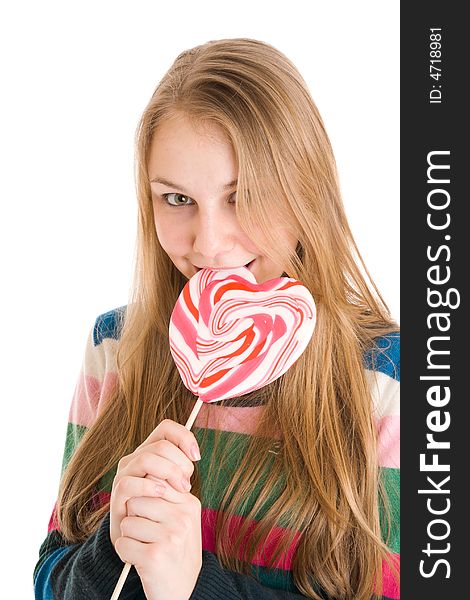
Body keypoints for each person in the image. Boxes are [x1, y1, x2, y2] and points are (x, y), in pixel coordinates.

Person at [34, 38, 400, 600]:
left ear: (308, 190)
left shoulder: (394, 379)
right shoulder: (115, 348)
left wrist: (194, 585)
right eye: (176, 199)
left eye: (244, 194)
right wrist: (114, 547)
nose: (209, 243)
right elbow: (50, 579)